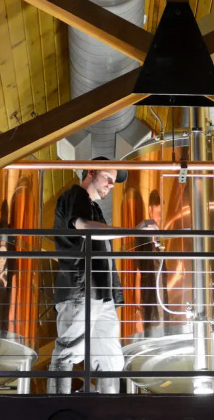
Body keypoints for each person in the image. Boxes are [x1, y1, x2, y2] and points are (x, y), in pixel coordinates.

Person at [49, 156, 157, 394]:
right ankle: (56, 405)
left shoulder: (95, 208)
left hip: (102, 295)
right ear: (91, 171)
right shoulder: (75, 195)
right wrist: (133, 230)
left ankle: (106, 410)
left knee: (111, 362)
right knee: (69, 350)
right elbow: (84, 228)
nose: (111, 184)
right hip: (81, 289)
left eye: (113, 181)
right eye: (107, 177)